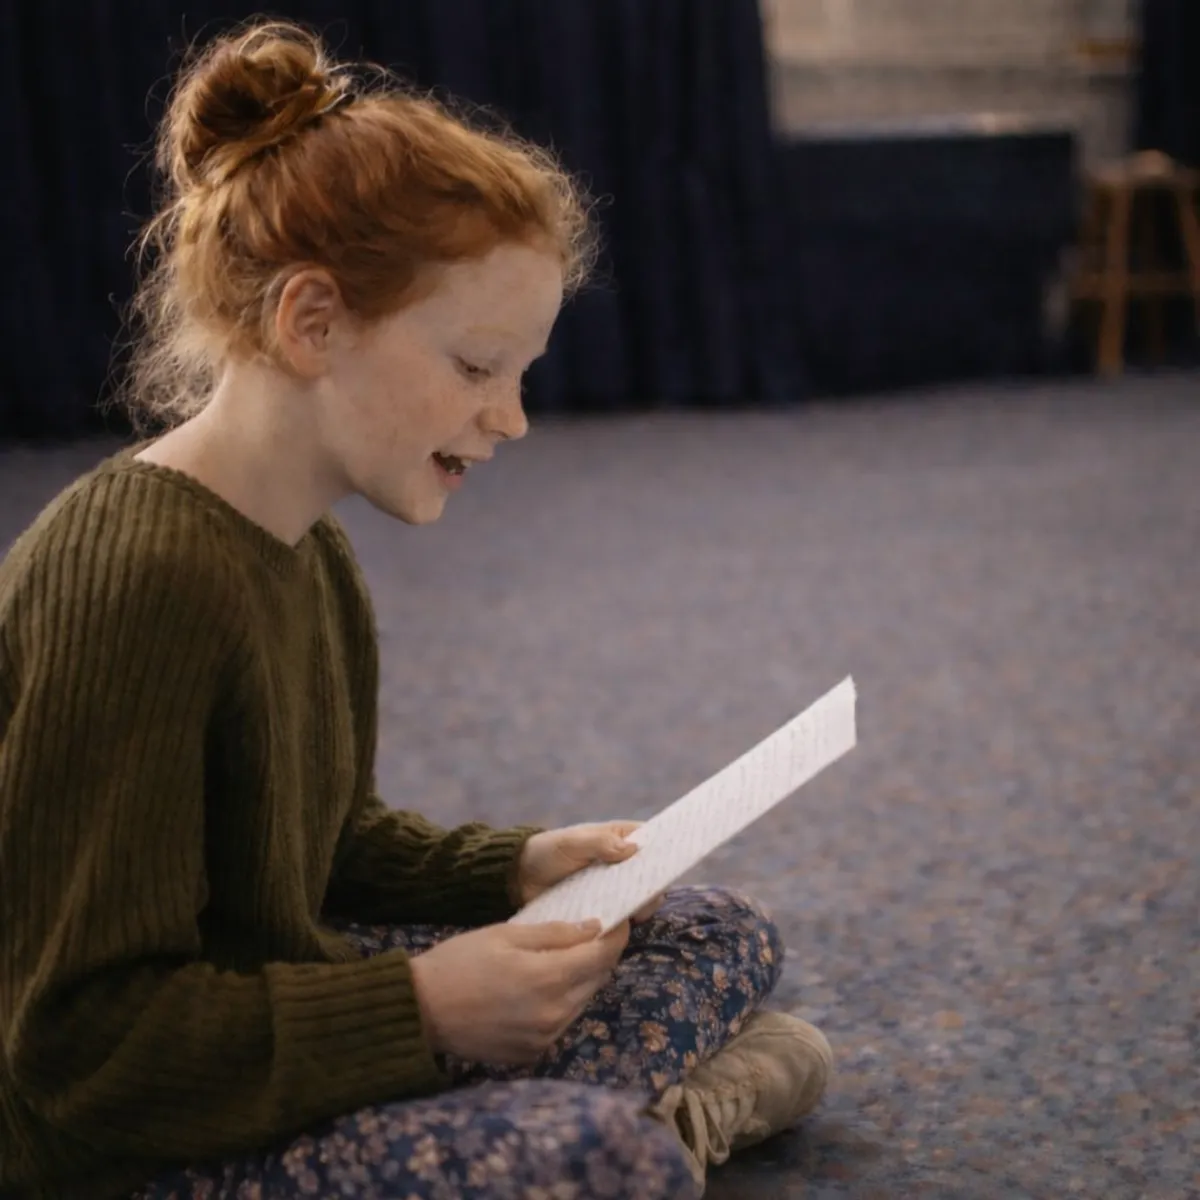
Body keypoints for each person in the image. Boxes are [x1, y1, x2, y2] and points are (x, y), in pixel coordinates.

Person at [0, 20, 833, 1200]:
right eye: (479, 366)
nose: (513, 419)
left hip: (270, 1019)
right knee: (607, 1166)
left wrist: (516, 870)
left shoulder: (305, 548)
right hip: (117, 1149)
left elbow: (325, 849)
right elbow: (80, 1045)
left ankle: (593, 1122)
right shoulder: (139, 583)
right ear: (312, 323)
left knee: (708, 925)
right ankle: (648, 1127)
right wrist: (424, 1007)